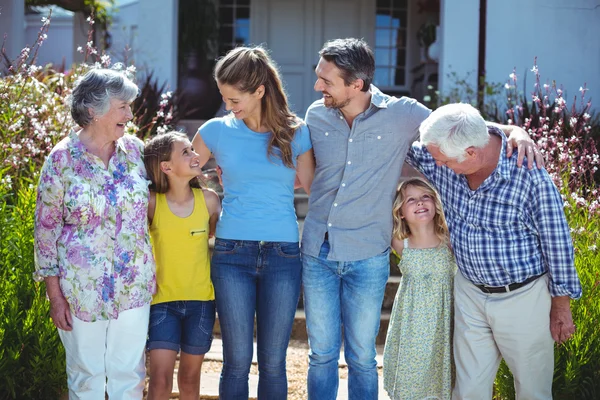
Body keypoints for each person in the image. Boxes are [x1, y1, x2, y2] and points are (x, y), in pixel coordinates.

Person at [301, 37, 543, 400]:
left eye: (327, 80)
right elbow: (306, 171)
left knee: (363, 357)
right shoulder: (315, 115)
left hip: (368, 254)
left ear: (357, 83)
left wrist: (513, 131)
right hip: (318, 249)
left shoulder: (405, 114)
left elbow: (460, 127)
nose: (317, 86)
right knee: (320, 355)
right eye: (319, 77)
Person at [406, 102, 582, 399]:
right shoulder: (446, 153)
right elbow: (406, 136)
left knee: (532, 390)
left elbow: (558, 242)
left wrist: (560, 306)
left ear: (472, 153)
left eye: (445, 162)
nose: (437, 167)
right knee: (468, 389)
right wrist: (515, 129)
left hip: (523, 299)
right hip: (469, 293)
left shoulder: (529, 177)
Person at [190, 46, 315, 399]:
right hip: (232, 254)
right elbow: (181, 176)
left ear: (259, 90)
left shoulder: (296, 132)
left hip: (283, 255)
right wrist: (211, 196)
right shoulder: (215, 131)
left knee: (274, 361)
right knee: (236, 360)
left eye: (234, 99)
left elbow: (314, 188)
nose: (229, 107)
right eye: (224, 98)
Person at [33, 68, 156, 399]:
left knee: (129, 373)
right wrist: (55, 296)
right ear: (92, 109)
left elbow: (171, 191)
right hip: (80, 289)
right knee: (86, 375)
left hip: (133, 284)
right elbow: (45, 233)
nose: (130, 114)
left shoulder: (136, 152)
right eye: (122, 106)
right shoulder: (61, 159)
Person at [143, 132, 221, 400]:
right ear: (166, 167)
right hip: (162, 303)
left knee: (189, 379)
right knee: (160, 381)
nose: (195, 155)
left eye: (192, 150)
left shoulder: (210, 201)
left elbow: (214, 236)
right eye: (186, 152)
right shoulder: (151, 203)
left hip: (201, 303)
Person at [383, 177, 456, 400]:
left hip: (445, 316)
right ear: (401, 212)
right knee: (412, 371)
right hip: (412, 320)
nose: (420, 203)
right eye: (411, 200)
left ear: (435, 203)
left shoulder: (450, 239)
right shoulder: (399, 242)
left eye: (425, 197)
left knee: (442, 373)